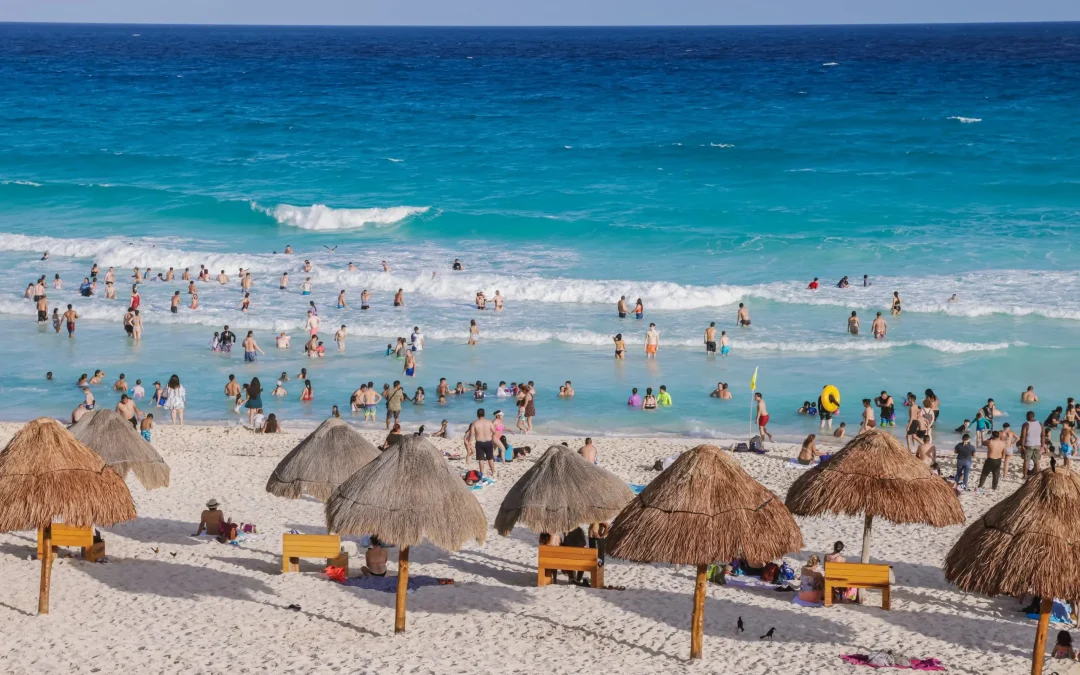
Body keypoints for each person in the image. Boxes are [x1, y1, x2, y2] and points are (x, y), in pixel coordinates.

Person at [465, 408, 498, 475]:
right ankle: (493, 472)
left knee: (481, 459)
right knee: (490, 458)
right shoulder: (489, 422)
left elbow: (471, 434)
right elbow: (494, 432)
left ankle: (481, 473)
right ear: (484, 414)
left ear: (477, 415)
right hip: (488, 442)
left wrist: (470, 442)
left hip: (479, 443)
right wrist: (490, 436)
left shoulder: (475, 423)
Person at [1021, 411, 1043, 476]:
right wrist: (1042, 445)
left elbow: (1023, 436)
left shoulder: (1026, 424)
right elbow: (1043, 435)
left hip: (1029, 444)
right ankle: (1037, 475)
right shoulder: (1040, 424)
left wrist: (1022, 446)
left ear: (1028, 416)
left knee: (1026, 460)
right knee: (1036, 461)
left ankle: (1025, 475)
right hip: (1037, 444)